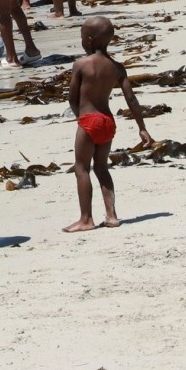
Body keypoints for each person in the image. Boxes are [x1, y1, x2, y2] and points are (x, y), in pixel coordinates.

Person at [64, 17, 154, 233]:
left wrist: (80, 118)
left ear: (89, 39)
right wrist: (142, 127)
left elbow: (72, 98)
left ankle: (86, 219)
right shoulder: (117, 67)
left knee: (82, 168)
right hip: (108, 121)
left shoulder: (81, 65)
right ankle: (112, 215)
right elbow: (131, 99)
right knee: (102, 168)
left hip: (88, 120)